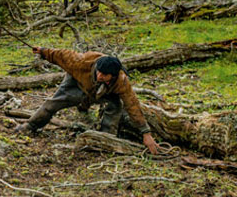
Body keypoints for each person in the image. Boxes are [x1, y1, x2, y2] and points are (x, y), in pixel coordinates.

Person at [15, 46, 160, 154]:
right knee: (54, 103)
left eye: (104, 75)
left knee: (116, 106)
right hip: (76, 83)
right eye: (99, 72)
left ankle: (105, 138)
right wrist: (43, 51)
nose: (99, 76)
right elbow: (60, 55)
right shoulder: (81, 62)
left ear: (113, 76)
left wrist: (145, 133)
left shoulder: (121, 81)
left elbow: (132, 105)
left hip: (104, 92)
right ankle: (31, 125)